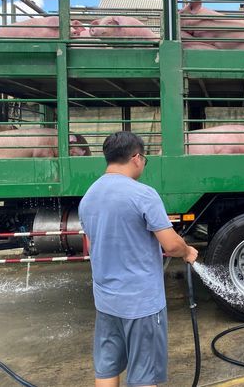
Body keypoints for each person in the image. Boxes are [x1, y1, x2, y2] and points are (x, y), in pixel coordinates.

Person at [79, 131, 198, 387]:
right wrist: (187, 251)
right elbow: (170, 244)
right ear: (136, 157)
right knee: (144, 375)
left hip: (106, 301)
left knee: (107, 367)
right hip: (140, 304)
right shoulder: (143, 194)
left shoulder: (89, 196)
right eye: (144, 158)